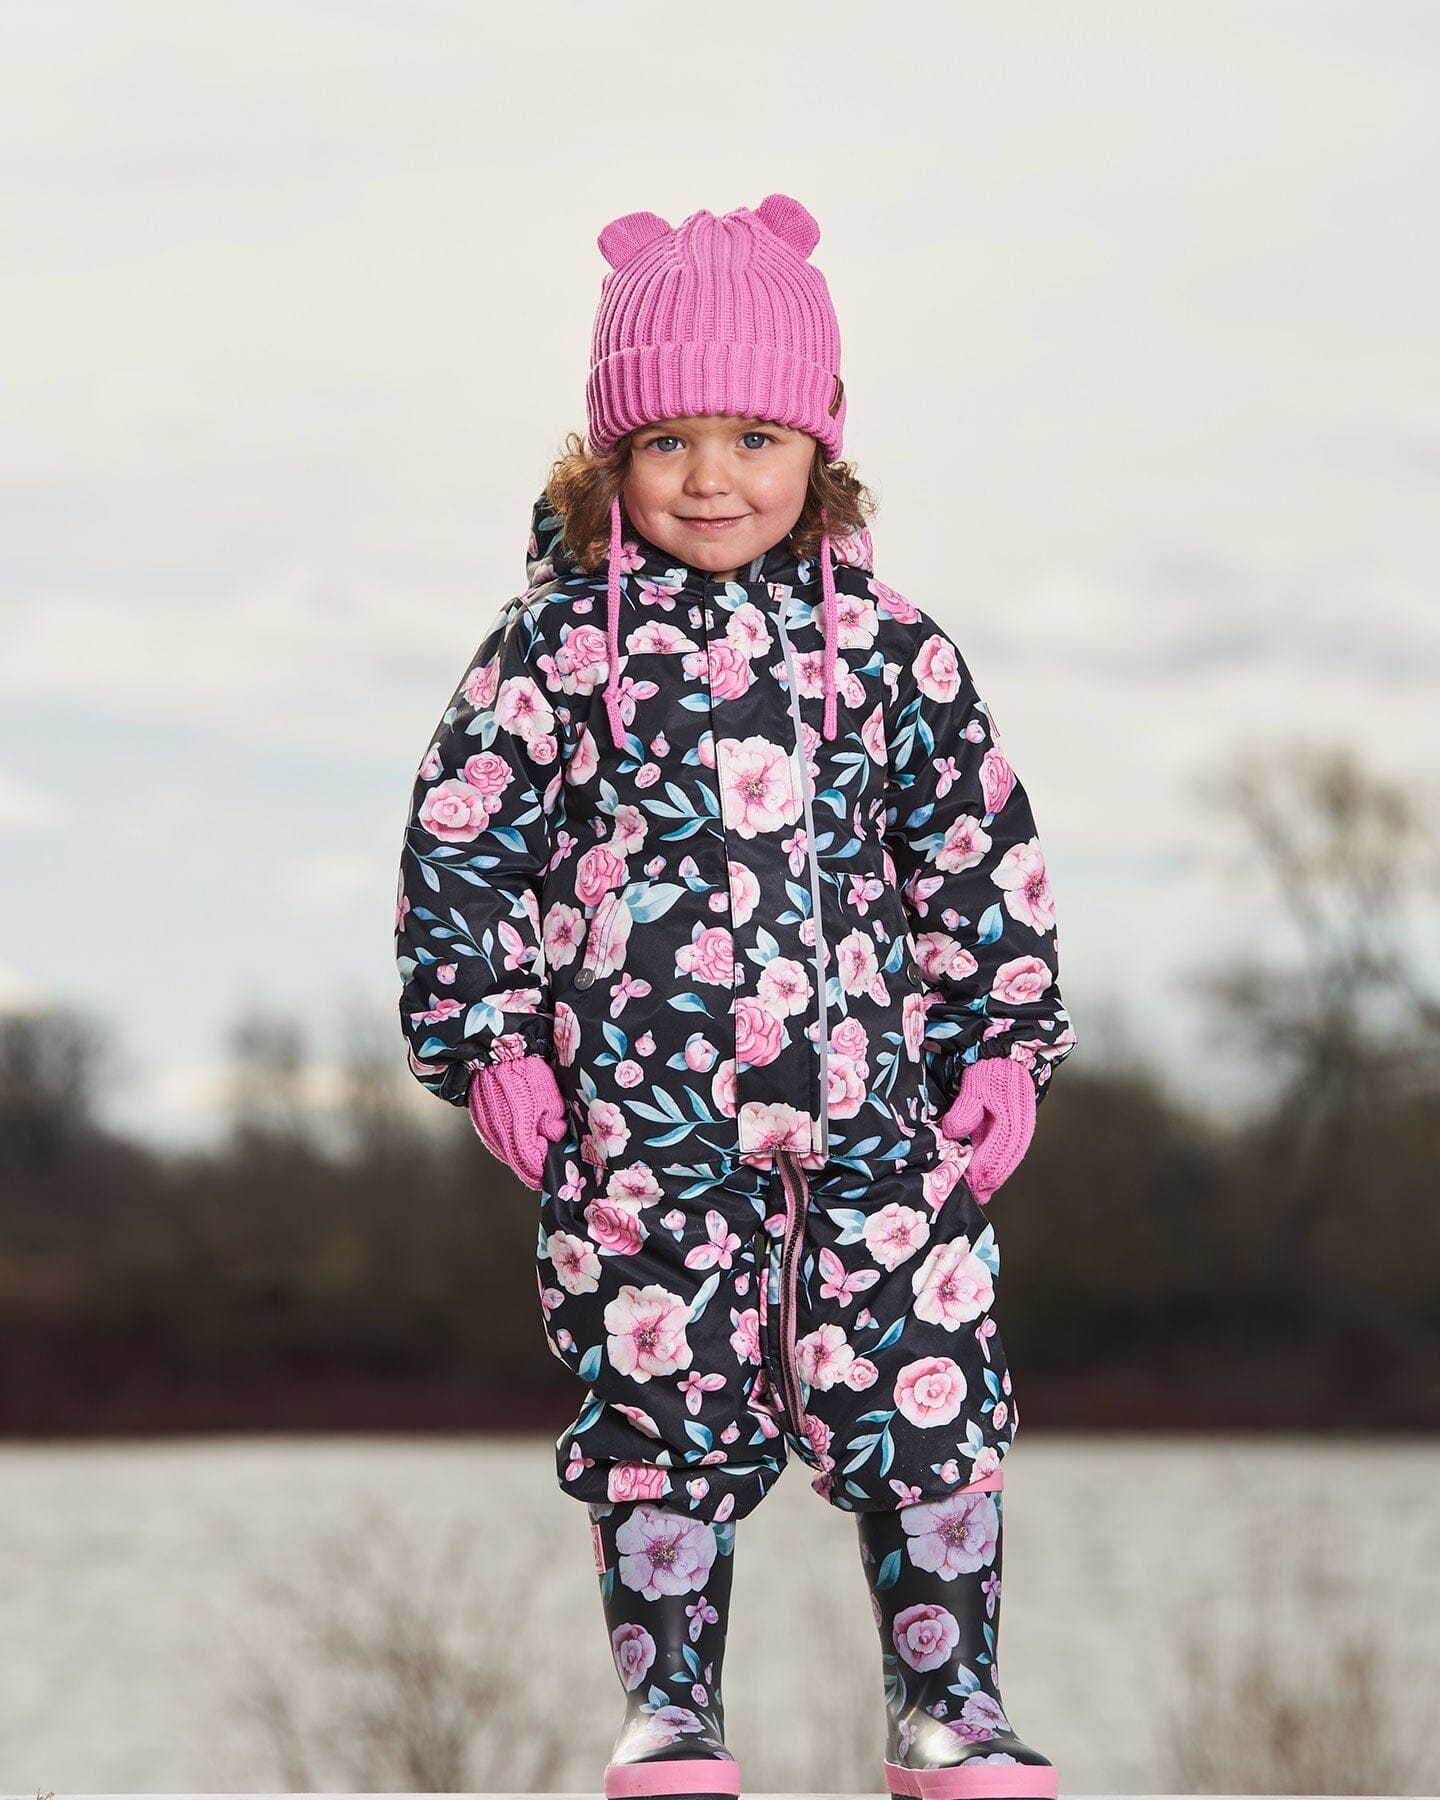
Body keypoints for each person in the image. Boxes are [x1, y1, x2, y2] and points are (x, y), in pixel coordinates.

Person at [395, 193, 1077, 1800]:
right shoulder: (555, 653)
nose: (714, 478)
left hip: (880, 1129)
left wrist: (1002, 1045)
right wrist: (491, 1043)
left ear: (819, 449)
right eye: (671, 441)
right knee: (658, 1402)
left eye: (756, 436)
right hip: (643, 1122)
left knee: (925, 1396)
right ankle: (674, 1708)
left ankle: (952, 1705)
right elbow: (459, 847)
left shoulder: (898, 658)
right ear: (608, 458)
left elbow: (978, 854)